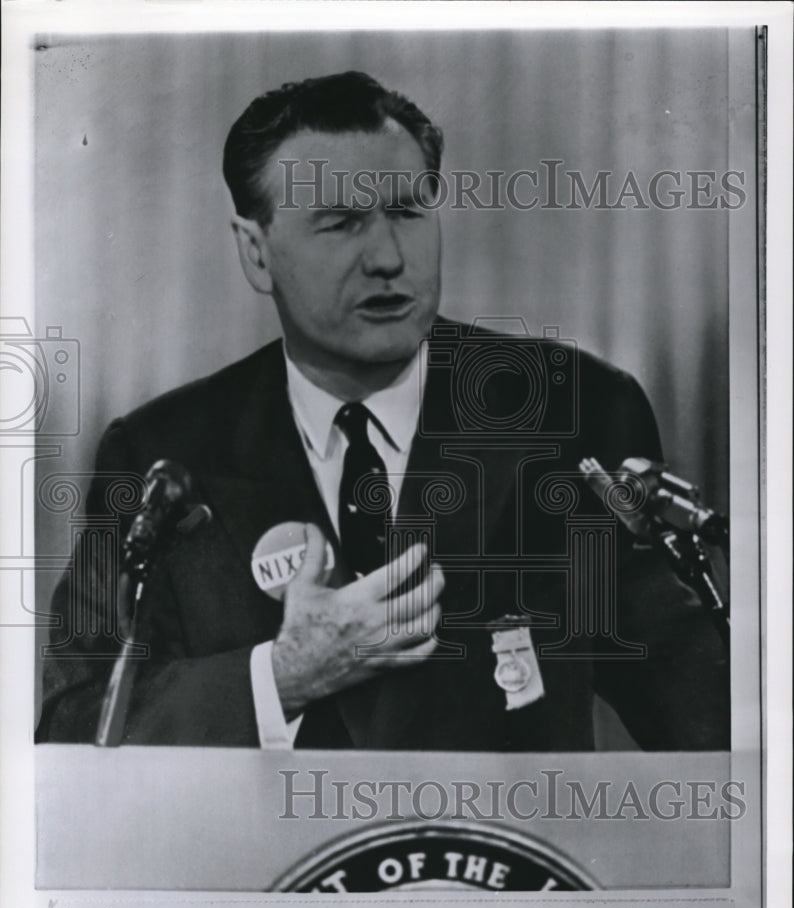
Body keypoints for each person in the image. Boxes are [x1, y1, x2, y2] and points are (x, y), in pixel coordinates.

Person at [36, 71, 729, 751]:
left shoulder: (572, 412)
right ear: (256, 253)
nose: (389, 258)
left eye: (406, 212)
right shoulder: (164, 453)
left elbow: (710, 720)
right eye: (340, 224)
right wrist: (280, 678)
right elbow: (72, 731)